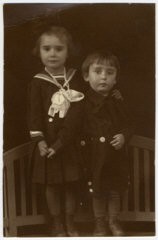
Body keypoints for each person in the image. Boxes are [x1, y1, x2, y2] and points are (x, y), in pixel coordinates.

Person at [28, 26, 85, 237]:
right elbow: (34, 115)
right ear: (39, 52)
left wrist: (61, 143)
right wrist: (41, 142)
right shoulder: (37, 82)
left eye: (59, 49)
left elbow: (77, 116)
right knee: (51, 186)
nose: (53, 53)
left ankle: (70, 222)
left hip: (68, 143)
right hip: (47, 145)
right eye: (47, 48)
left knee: (71, 184)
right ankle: (57, 223)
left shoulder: (75, 78)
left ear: (68, 52)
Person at [80, 50, 133, 236]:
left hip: (114, 156)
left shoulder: (117, 101)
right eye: (98, 71)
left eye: (109, 73)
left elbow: (128, 124)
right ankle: (100, 222)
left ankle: (113, 220)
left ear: (116, 78)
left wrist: (124, 136)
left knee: (113, 191)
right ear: (87, 76)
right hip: (93, 156)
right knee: (97, 191)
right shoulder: (82, 103)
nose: (104, 77)